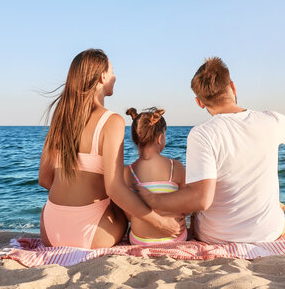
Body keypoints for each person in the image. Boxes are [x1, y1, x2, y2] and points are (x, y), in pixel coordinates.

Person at [137, 57, 285, 243]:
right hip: (268, 234)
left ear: (199, 102)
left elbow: (201, 199)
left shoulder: (202, 134)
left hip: (217, 237)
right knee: (277, 206)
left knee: (196, 214)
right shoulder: (269, 121)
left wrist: (154, 200)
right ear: (233, 87)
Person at [38, 49, 183, 249]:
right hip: (90, 233)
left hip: (50, 227)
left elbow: (44, 179)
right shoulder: (111, 121)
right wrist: (161, 222)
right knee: (123, 195)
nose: (115, 77)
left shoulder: (60, 120)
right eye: (112, 71)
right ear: (102, 76)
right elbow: (114, 189)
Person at [123, 107, 187, 245]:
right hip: (175, 237)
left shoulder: (128, 172)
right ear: (160, 138)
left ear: (135, 139)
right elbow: (186, 207)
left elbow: (129, 214)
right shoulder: (176, 167)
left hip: (140, 240)